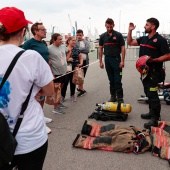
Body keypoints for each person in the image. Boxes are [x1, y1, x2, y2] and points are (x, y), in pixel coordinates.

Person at [0, 7, 54, 170]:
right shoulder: (31, 57)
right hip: (29, 138)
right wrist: (37, 92)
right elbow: (50, 91)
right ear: (23, 31)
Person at [127, 18, 170, 128]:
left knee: (153, 95)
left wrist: (155, 60)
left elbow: (168, 55)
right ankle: (151, 112)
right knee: (148, 93)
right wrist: (130, 30)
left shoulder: (160, 40)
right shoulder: (143, 39)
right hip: (144, 72)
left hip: (154, 72)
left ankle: (155, 119)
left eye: (146, 25)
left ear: (153, 27)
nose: (144, 26)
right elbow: (130, 42)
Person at [22, 22, 52, 133]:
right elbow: (22, 59)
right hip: (33, 76)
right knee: (35, 98)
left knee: (42, 97)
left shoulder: (44, 43)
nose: (45, 31)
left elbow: (46, 57)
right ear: (35, 31)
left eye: (45, 29)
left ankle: (41, 116)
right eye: (42, 29)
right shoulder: (29, 44)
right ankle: (38, 123)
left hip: (43, 75)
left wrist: (49, 70)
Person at [99, 18, 125, 103]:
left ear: (113, 25)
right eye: (107, 27)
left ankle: (120, 97)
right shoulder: (103, 36)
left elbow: (123, 48)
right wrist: (100, 61)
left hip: (117, 59)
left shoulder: (118, 35)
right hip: (107, 59)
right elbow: (100, 49)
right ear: (105, 26)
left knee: (117, 80)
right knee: (111, 79)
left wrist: (122, 61)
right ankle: (113, 96)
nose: (109, 29)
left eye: (111, 27)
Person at [48, 33, 68, 114]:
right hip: (56, 72)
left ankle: (58, 102)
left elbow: (69, 50)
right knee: (56, 89)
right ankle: (55, 107)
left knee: (61, 88)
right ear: (54, 40)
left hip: (64, 71)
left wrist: (67, 58)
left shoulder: (63, 46)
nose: (61, 41)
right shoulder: (49, 48)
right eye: (59, 39)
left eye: (61, 39)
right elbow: (46, 59)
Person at [61, 36, 83, 102]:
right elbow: (60, 59)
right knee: (65, 82)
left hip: (75, 67)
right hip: (66, 67)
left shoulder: (77, 49)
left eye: (75, 40)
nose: (74, 42)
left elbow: (80, 57)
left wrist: (81, 63)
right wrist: (67, 59)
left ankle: (72, 95)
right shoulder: (63, 49)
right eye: (73, 40)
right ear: (68, 41)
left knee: (73, 81)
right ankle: (62, 96)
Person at [76, 29, 90, 96]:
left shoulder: (86, 42)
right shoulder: (75, 42)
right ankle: (81, 89)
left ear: (83, 35)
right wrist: (81, 49)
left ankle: (80, 88)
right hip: (78, 61)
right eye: (77, 35)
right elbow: (75, 50)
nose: (79, 36)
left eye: (80, 35)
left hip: (85, 61)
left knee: (83, 75)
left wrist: (79, 49)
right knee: (79, 75)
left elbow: (87, 50)